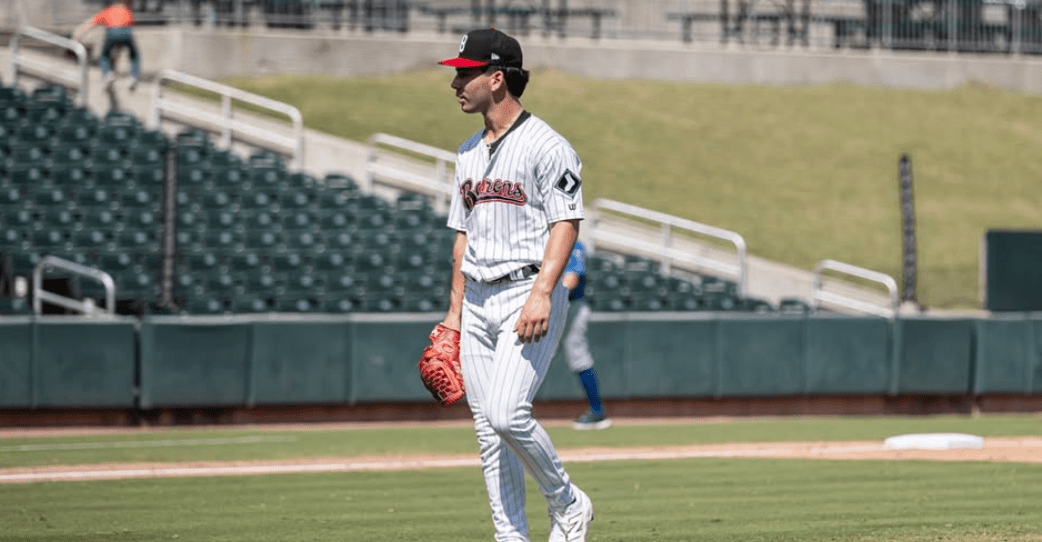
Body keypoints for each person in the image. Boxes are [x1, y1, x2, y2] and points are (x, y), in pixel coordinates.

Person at [437, 28, 594, 542]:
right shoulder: (466, 152)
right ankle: (511, 536)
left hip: (526, 293)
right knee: (488, 433)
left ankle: (567, 501)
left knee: (507, 414)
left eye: (466, 72)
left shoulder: (548, 146)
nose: (456, 82)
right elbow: (462, 241)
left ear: (497, 78)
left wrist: (543, 292)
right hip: (478, 297)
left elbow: (565, 224)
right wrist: (453, 318)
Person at [561, 239, 612, 430]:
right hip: (552, 307)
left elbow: (571, 280)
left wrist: (543, 297)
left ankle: (597, 412)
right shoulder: (540, 238)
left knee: (578, 357)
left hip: (571, 308)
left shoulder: (572, 242)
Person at [73, 0, 141, 92]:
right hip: (127, 32)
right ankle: (133, 77)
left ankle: (107, 74)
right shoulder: (127, 11)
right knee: (134, 55)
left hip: (112, 32)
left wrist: (78, 34)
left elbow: (90, 24)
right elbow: (127, 28)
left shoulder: (108, 11)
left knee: (104, 55)